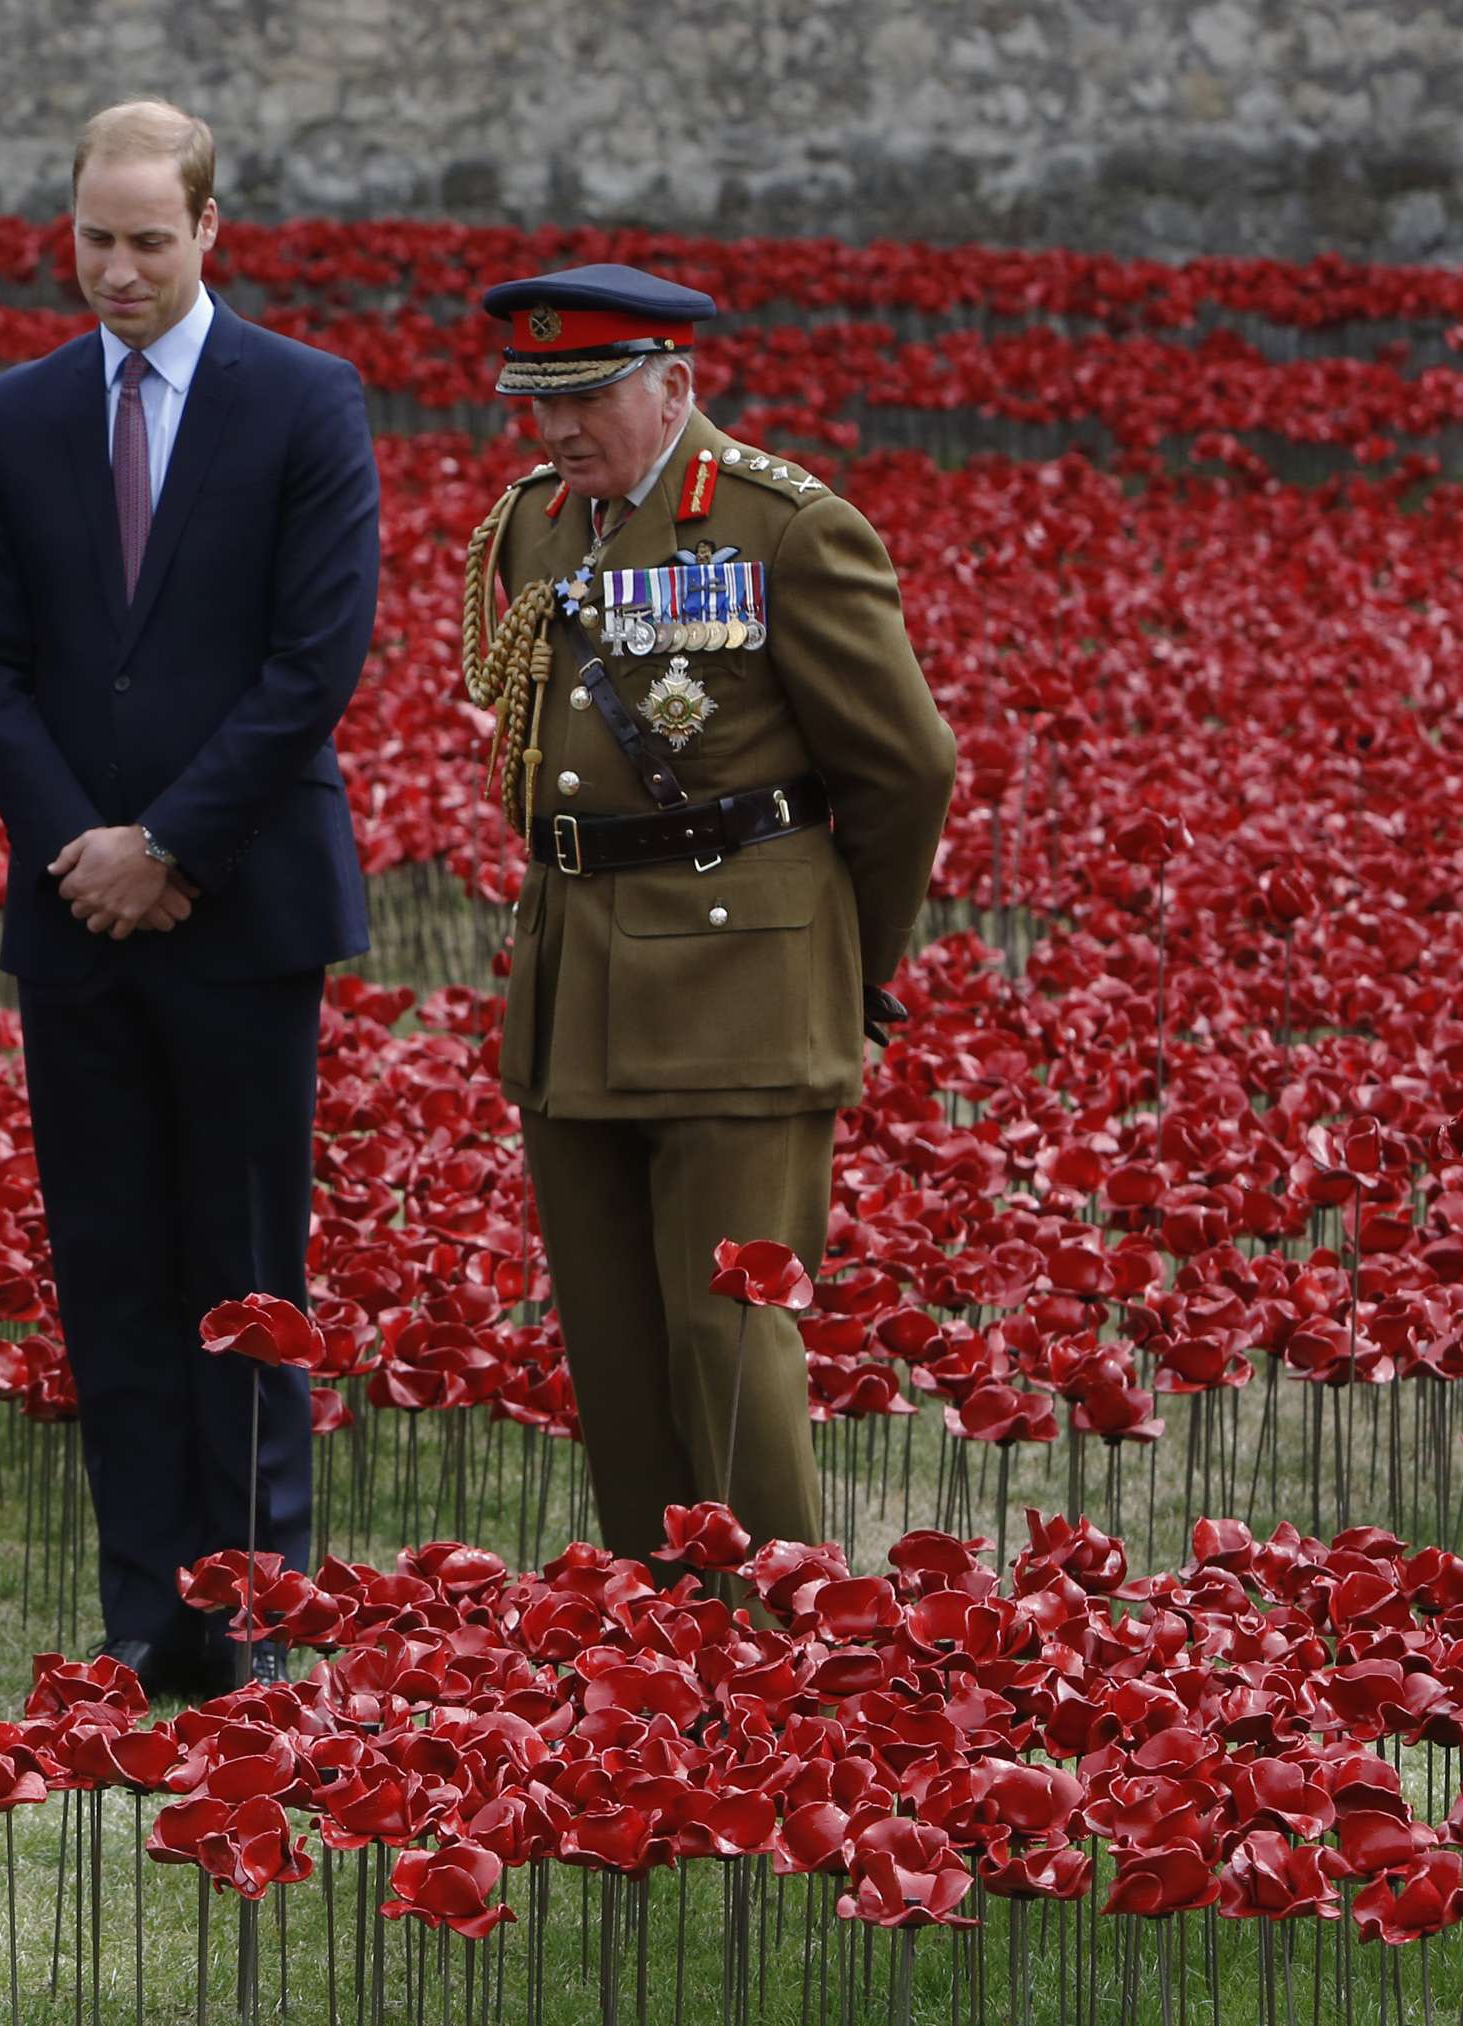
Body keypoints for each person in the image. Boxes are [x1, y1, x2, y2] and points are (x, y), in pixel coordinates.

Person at [0, 101, 381, 1701]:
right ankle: (151, 1607)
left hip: (245, 906)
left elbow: (310, 662)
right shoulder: (19, 413)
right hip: (77, 916)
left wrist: (173, 846)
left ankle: (256, 1599)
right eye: (93, 239)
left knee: (249, 1267)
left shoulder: (304, 401)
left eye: (148, 238)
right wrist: (85, 846)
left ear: (213, 231)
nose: (118, 269)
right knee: (112, 1265)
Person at [454, 264, 956, 1572]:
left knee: (728, 1333)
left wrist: (850, 961)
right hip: (581, 976)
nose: (557, 431)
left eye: (592, 397)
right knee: (614, 1344)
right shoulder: (537, 529)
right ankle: (659, 1639)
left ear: (677, 384)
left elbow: (905, 769)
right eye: (538, 403)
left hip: (746, 980)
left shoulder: (784, 530)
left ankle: (786, 1648)